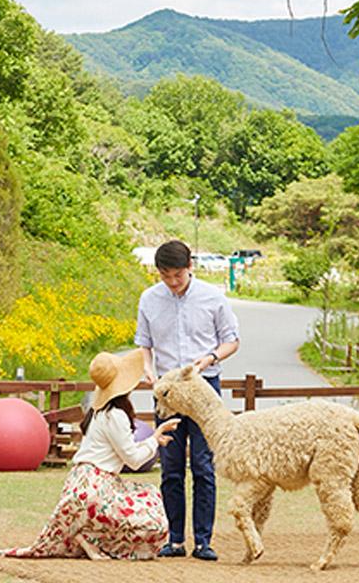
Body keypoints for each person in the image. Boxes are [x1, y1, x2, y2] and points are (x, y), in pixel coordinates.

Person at [0, 348, 180, 560]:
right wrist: (155, 438)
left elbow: (127, 452)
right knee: (153, 519)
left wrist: (152, 441)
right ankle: (90, 537)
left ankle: (85, 536)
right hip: (99, 486)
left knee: (137, 505)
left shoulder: (97, 412)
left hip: (79, 481)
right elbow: (135, 460)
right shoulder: (116, 415)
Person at [136, 239, 240, 562]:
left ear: (190, 267)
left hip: (204, 386)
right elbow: (144, 344)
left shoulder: (212, 297)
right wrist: (148, 371)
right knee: (169, 465)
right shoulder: (149, 299)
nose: (172, 282)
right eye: (165, 276)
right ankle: (175, 539)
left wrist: (209, 359)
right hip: (167, 390)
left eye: (177, 275)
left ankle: (204, 541)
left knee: (203, 465)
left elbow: (232, 340)